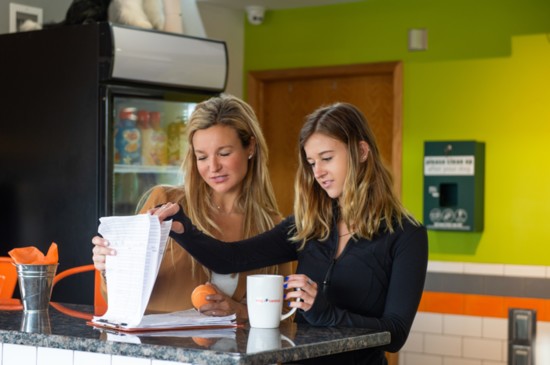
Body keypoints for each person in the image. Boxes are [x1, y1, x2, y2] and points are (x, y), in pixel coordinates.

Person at [153, 102, 429, 364]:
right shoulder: (308, 225)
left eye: (327, 158)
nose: (318, 172)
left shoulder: (406, 235)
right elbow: (230, 258)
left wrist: (325, 312)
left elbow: (395, 334)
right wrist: (183, 229)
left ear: (362, 152)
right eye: (311, 162)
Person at [92, 94, 294, 319]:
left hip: (226, 352)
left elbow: (285, 315)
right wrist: (109, 269)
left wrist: (238, 311)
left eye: (224, 153)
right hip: (154, 348)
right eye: (202, 157)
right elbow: (118, 296)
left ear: (250, 148)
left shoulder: (271, 225)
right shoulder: (167, 203)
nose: (213, 167)